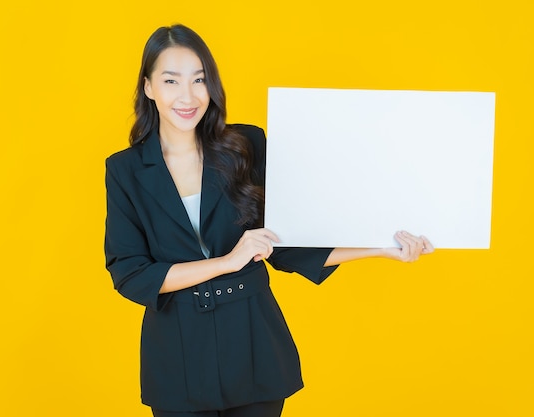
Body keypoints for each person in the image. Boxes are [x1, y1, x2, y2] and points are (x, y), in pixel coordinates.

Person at [104, 24, 434, 417]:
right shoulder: (125, 170)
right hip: (178, 355)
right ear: (148, 87)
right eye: (171, 81)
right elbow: (131, 274)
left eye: (199, 79)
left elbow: (289, 242)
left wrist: (382, 248)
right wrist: (228, 261)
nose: (188, 96)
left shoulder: (245, 145)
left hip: (254, 345)